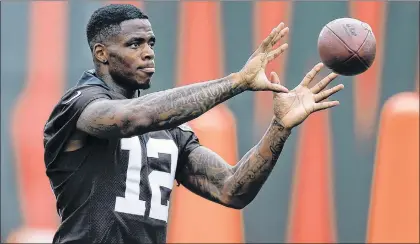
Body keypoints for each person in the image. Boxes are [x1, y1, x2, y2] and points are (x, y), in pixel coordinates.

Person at [43, 4, 344, 244]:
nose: (148, 52)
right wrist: (236, 82)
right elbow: (129, 119)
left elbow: (231, 189)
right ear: (101, 53)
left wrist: (280, 126)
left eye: (151, 42)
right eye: (134, 44)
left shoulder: (168, 127)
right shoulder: (79, 106)